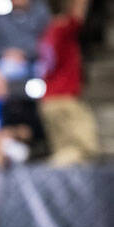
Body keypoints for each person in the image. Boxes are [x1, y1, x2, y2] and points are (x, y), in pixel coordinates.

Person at [37, 0, 99, 166]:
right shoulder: (63, 28)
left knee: (66, 151)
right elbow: (78, 12)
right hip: (63, 100)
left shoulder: (48, 31)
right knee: (86, 147)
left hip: (50, 101)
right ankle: (47, 173)